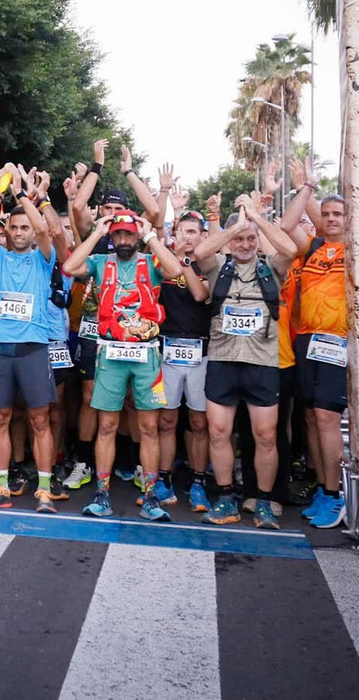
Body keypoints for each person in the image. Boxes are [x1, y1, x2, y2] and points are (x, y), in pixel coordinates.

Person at [62, 209, 185, 520]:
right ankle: (102, 494)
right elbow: (69, 266)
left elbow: (174, 270)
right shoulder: (101, 262)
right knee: (107, 425)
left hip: (146, 355)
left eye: (128, 234)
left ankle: (151, 496)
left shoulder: (149, 260)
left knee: (149, 428)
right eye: (118, 234)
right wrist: (95, 233)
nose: (123, 240)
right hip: (110, 353)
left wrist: (150, 236)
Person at [189, 196, 297, 527]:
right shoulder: (219, 266)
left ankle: (263, 501)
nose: (245, 244)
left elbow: (290, 250)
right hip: (223, 362)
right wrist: (235, 225)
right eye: (239, 239)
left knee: (265, 435)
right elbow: (200, 253)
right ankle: (225, 498)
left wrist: (256, 220)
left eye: (251, 239)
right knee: (219, 431)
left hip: (262, 364)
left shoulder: (271, 268)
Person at [0, 164, 63, 513]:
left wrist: (23, 194)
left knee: (39, 420)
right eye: (14, 228)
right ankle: (0, 487)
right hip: (0, 348)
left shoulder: (44, 259)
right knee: (0, 418)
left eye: (24, 227)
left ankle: (44, 488)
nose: (20, 231)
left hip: (33, 348)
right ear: (7, 232)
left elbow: (45, 228)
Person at [286, 186, 351, 529]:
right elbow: (286, 225)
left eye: (337, 214)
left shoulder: (355, 250)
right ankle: (324, 491)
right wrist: (304, 187)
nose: (330, 219)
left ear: (348, 219)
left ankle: (335, 492)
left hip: (336, 340)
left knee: (327, 418)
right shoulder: (311, 248)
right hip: (307, 339)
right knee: (311, 416)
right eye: (325, 214)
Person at [156, 208, 215, 513]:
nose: (186, 237)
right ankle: (163, 478)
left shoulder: (209, 264)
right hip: (167, 351)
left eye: (193, 232)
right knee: (166, 420)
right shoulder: (163, 262)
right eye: (182, 231)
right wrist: (173, 256)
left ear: (202, 236)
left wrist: (187, 261)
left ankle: (198, 482)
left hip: (200, 353)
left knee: (199, 422)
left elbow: (199, 295)